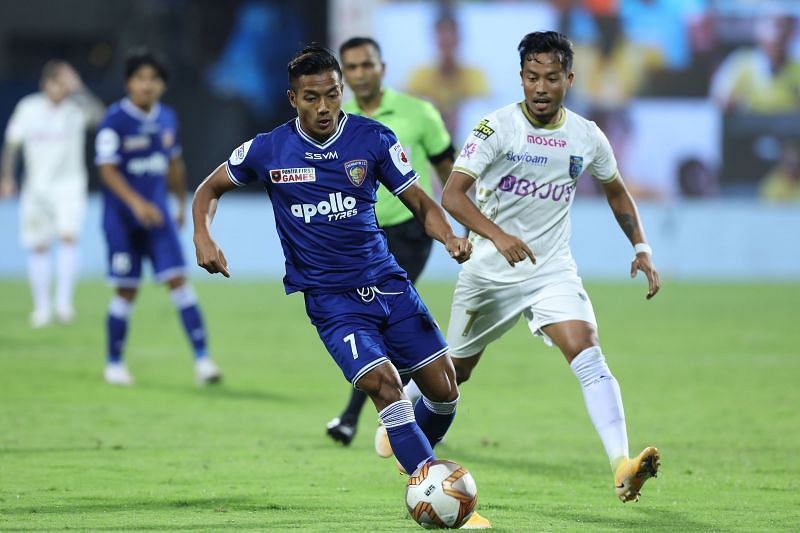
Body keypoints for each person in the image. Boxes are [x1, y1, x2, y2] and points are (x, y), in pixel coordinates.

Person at [192, 44, 490, 529]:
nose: (325, 107)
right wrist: (203, 234)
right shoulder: (268, 149)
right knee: (385, 386)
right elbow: (209, 189)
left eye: (333, 94)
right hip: (332, 301)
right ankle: (432, 486)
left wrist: (451, 236)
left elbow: (419, 201)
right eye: (313, 97)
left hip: (388, 284)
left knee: (445, 392)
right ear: (294, 98)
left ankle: (413, 457)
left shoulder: (372, 139)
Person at [389, 31, 662, 504]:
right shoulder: (495, 129)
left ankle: (622, 464)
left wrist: (641, 246)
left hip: (550, 269)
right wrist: (496, 234)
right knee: (454, 375)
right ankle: (401, 414)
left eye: (551, 78)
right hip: (488, 272)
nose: (540, 88)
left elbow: (615, 189)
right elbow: (452, 193)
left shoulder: (586, 135)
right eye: (532, 77)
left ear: (568, 79)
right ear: (520, 77)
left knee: (588, 353)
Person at [324, 36, 456, 448]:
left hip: (408, 230)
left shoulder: (419, 114)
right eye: (353, 68)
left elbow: (448, 169)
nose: (361, 74)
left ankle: (353, 416)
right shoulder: (334, 121)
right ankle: (407, 398)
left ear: (383, 67)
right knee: (373, 320)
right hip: (359, 237)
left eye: (367, 65)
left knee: (375, 316)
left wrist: (461, 225)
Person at [94, 48, 222, 386]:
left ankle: (203, 361)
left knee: (179, 282)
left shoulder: (167, 118)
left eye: (153, 79)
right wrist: (136, 203)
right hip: (122, 221)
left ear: (162, 86)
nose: (146, 85)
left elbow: (174, 164)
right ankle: (114, 363)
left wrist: (181, 203)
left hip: (159, 218)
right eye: (140, 79)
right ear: (128, 84)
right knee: (126, 290)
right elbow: (106, 171)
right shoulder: (114, 120)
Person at [1, 60, 104, 327]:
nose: (62, 88)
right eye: (58, 82)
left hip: (69, 187)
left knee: (68, 239)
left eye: (65, 83)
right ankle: (42, 308)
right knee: (39, 246)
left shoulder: (75, 109)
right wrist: (7, 177)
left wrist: (79, 88)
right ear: (45, 83)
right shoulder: (28, 107)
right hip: (36, 189)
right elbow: (12, 144)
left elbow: (101, 118)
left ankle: (64, 304)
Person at [406, 11, 489, 137]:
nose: (447, 41)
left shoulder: (474, 75)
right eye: (442, 37)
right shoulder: (420, 75)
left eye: (451, 36)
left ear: (459, 38)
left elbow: (483, 109)